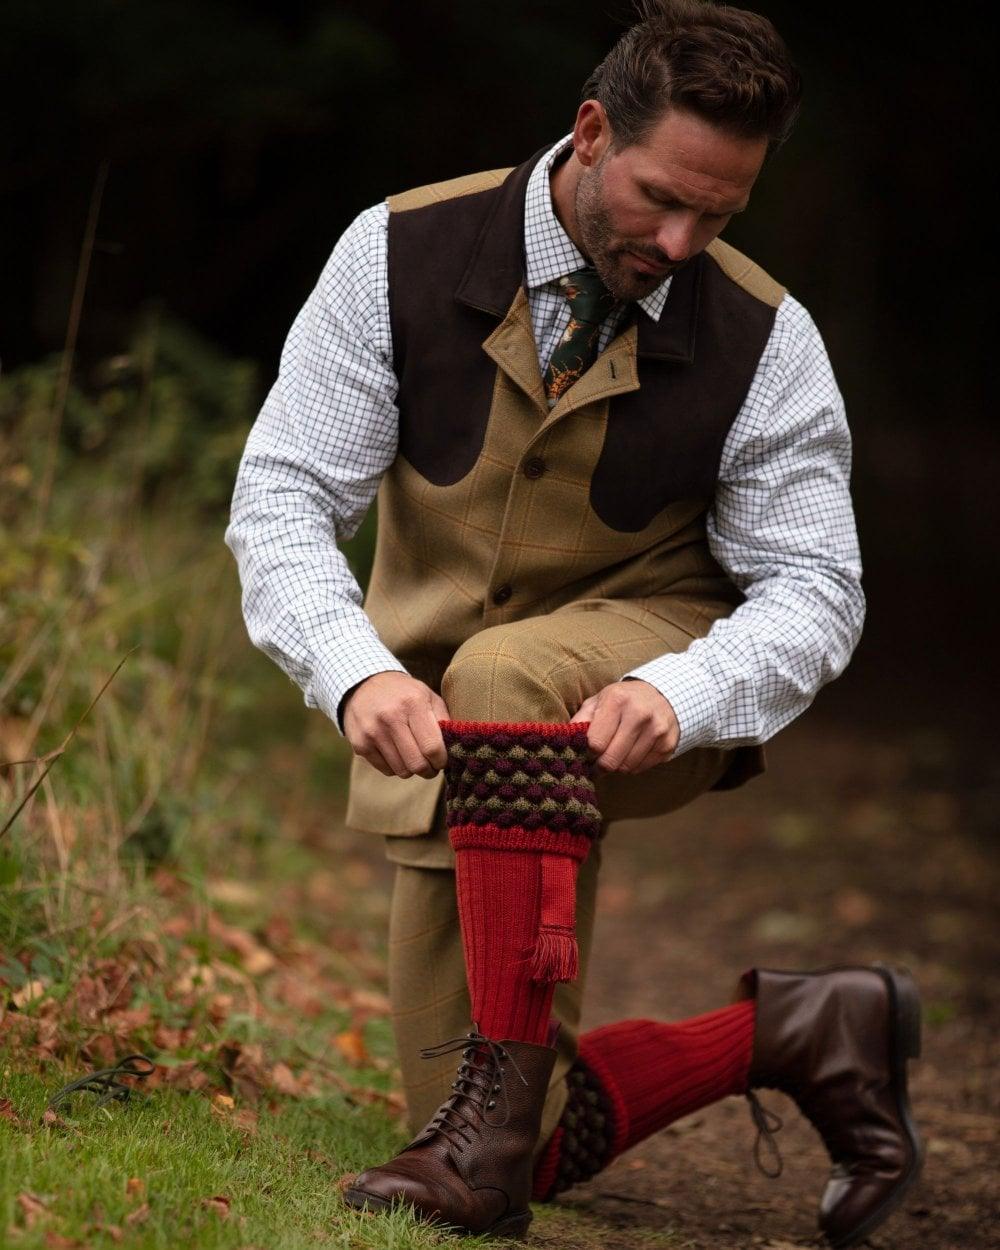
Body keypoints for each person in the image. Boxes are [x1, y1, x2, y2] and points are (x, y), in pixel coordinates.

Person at [223, 1, 924, 1245]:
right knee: (510, 1134)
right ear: (591, 131)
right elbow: (282, 496)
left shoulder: (768, 339)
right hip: (448, 743)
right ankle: (808, 1029)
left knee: (506, 667)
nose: (681, 238)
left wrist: (687, 693)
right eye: (662, 197)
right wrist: (352, 671)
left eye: (720, 215)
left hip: (646, 683)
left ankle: (485, 1151)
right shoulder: (397, 253)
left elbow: (818, 585)